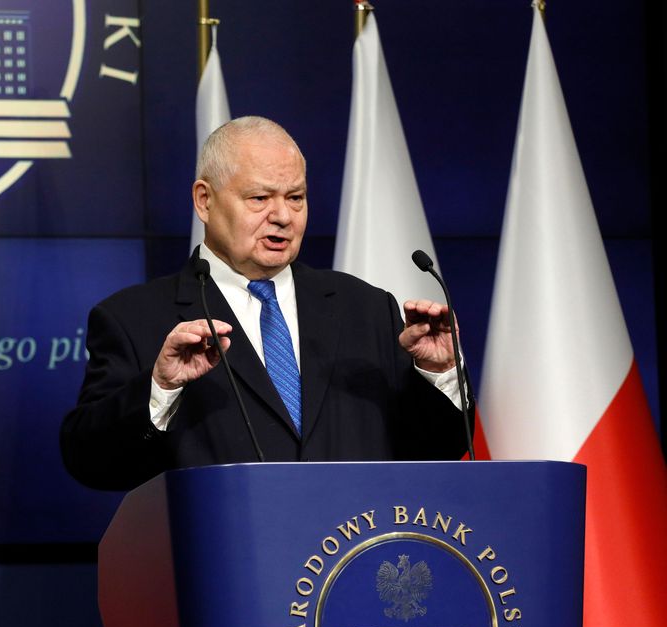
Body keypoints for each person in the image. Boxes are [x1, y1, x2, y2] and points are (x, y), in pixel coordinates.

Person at [61, 117, 468, 491]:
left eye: (295, 198)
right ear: (204, 200)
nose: (283, 216)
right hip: (225, 563)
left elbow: (433, 450)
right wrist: (161, 388)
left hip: (352, 561)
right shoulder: (134, 319)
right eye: (259, 198)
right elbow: (90, 462)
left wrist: (437, 373)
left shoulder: (365, 308)